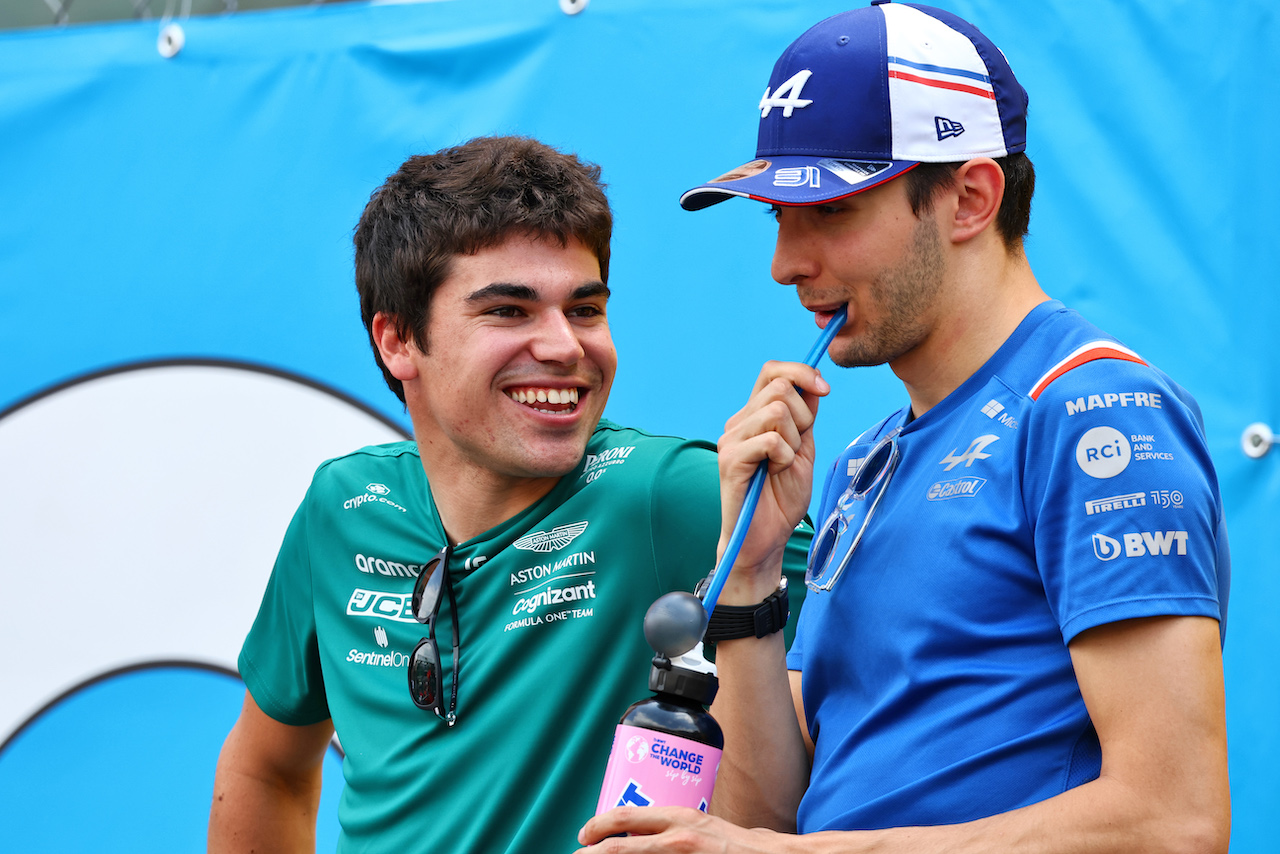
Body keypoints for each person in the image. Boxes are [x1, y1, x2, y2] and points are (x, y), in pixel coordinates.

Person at [578, 3, 1230, 852]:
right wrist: (752, 576)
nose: (787, 265)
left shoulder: (1090, 408)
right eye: (779, 215)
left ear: (969, 197)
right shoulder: (865, 462)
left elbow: (1172, 818)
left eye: (832, 212)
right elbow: (768, 817)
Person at [207, 135, 811, 853]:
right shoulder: (343, 506)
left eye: (585, 310)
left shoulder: (673, 494)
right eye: (509, 311)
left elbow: (831, 760)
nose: (564, 346)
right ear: (397, 340)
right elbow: (265, 769)